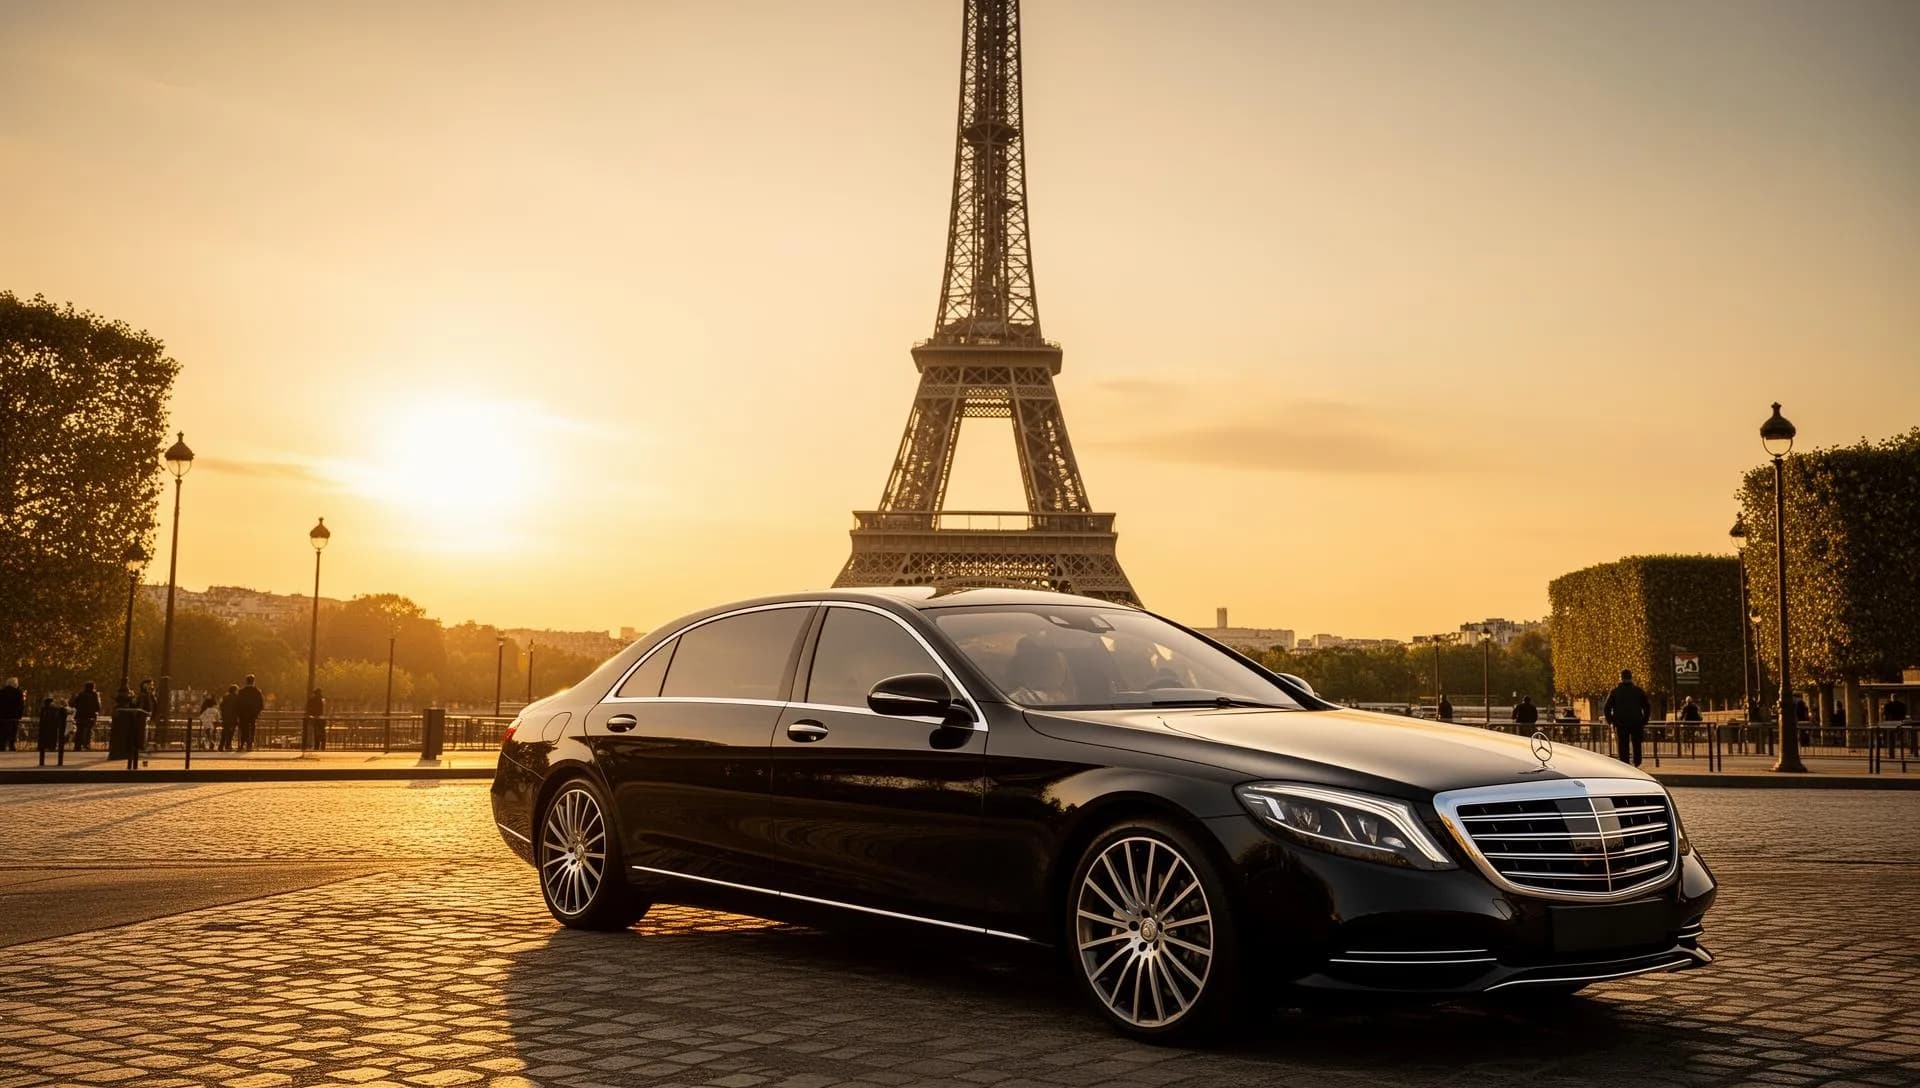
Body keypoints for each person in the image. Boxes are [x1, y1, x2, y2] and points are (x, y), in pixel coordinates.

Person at [1603, 669, 1652, 766]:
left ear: (1620, 678)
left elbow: (1606, 708)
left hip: (1620, 723)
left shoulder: (1615, 691)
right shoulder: (1638, 691)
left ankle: (1625, 764)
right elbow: (1647, 706)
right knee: (1637, 744)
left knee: (1623, 745)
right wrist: (1644, 720)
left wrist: (1611, 721)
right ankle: (1637, 762)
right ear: (1631, 677)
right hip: (1636, 722)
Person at [234, 675, 265, 751]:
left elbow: (237, 703)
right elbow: (261, 704)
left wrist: (239, 713)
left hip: (243, 714)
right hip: (253, 714)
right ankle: (250, 744)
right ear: (253, 681)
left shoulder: (241, 691)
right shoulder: (257, 691)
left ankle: (242, 744)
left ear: (246, 681)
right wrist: (256, 712)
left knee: (244, 729)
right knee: (252, 729)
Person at [69, 681, 102, 751]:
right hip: (90, 716)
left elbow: (74, 703)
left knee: (79, 731)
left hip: (80, 715)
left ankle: (77, 746)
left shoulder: (81, 694)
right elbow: (98, 706)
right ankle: (86, 745)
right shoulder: (95, 695)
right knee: (89, 731)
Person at [0, 677, 24, 751]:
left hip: (3, 717)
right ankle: (12, 746)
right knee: (13, 732)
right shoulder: (18, 693)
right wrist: (19, 715)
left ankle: (2, 746)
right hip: (14, 717)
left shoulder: (2, 692)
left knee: (2, 732)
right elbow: (21, 705)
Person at [218, 684, 240, 751]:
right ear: (235, 690)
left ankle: (221, 746)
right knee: (231, 732)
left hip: (225, 717)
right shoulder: (236, 697)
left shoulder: (225, 697)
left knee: (224, 732)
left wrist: (223, 715)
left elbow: (221, 706)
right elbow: (238, 708)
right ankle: (228, 745)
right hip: (233, 717)